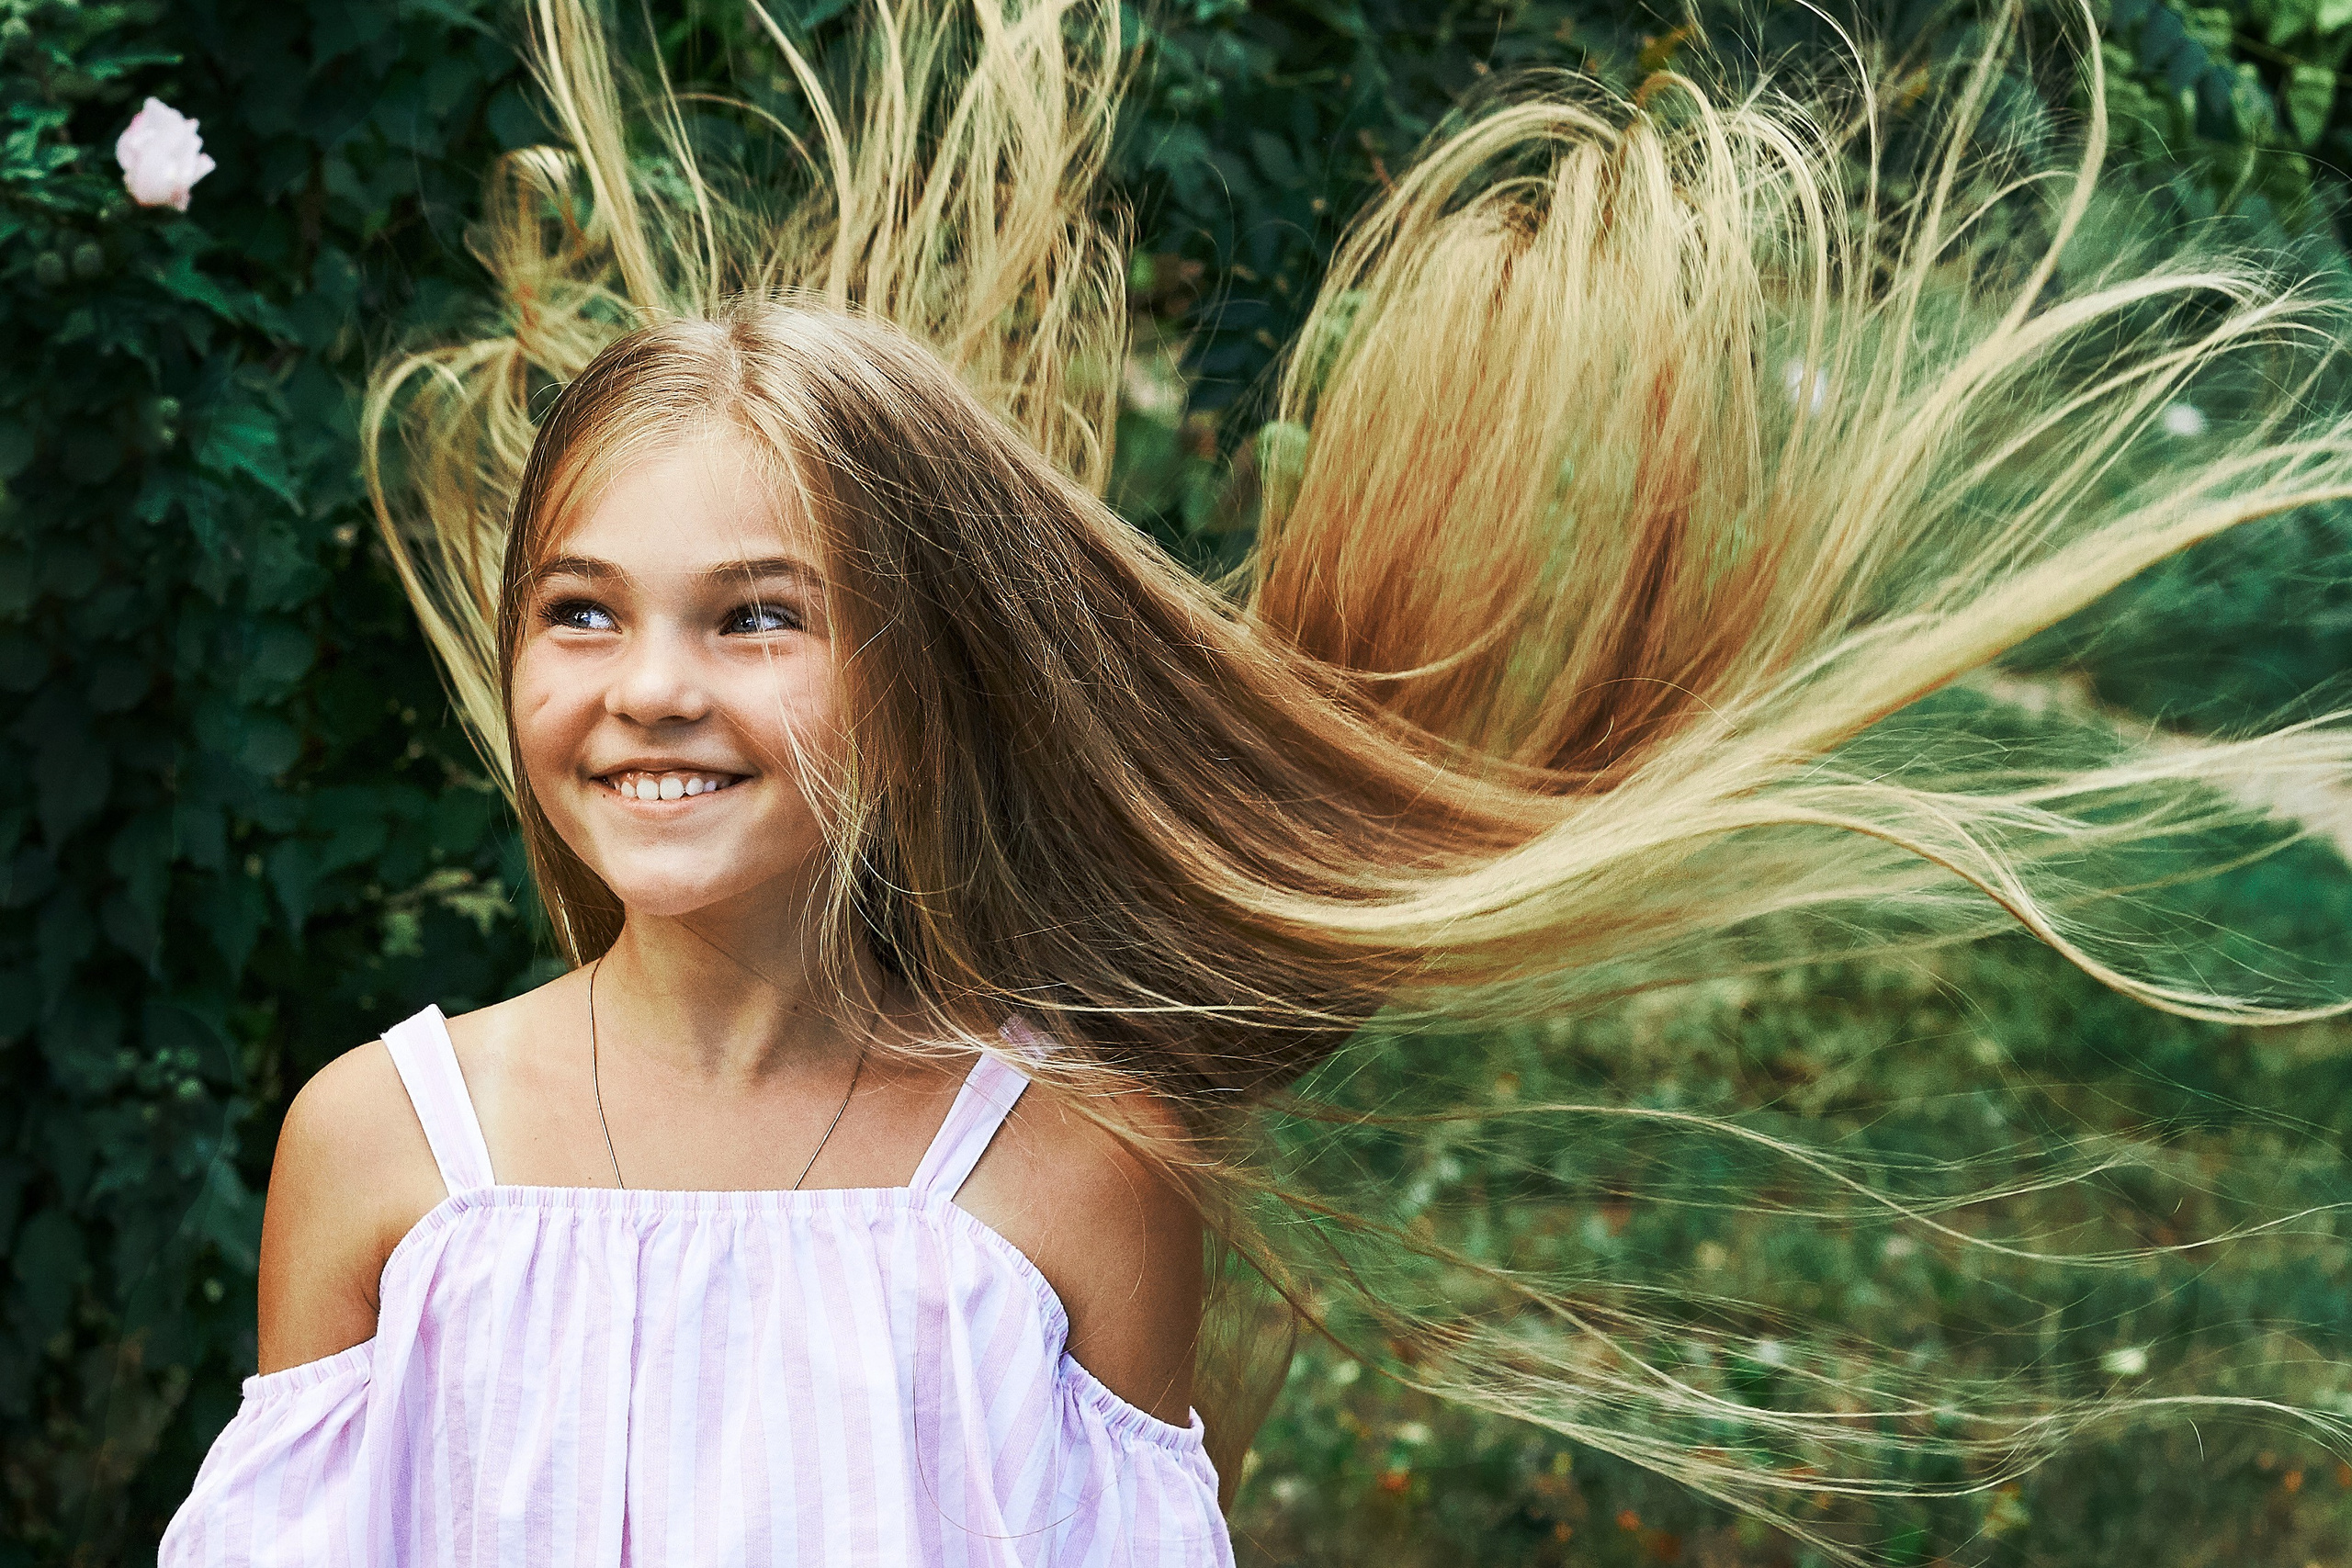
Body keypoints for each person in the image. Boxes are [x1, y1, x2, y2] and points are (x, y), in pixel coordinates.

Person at [161, 0, 2352, 1562]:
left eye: (760, 616)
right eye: (583, 611)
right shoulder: (385, 1151)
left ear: (922, 677)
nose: (653, 689)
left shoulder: (1062, 1173)